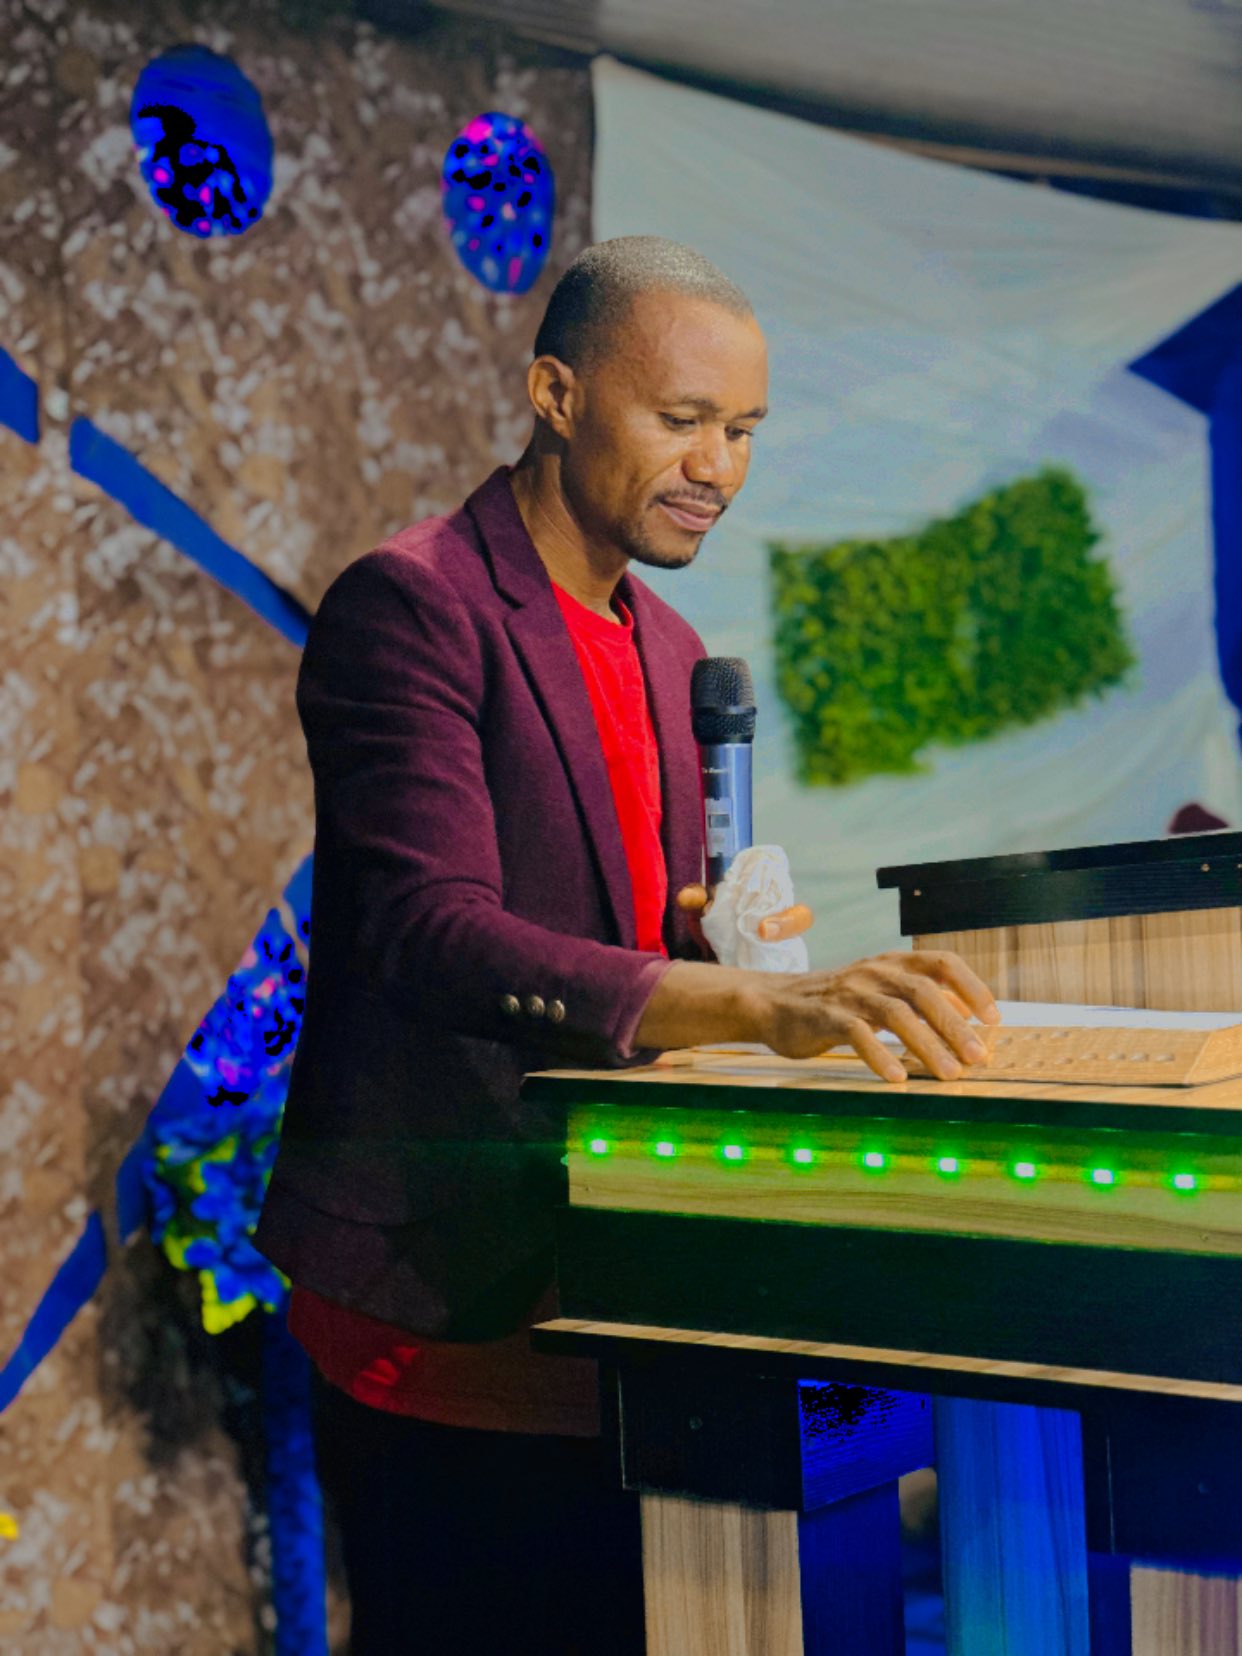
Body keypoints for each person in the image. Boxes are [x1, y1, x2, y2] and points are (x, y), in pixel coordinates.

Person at [253, 235, 999, 1654]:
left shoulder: (671, 647)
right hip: (448, 1299)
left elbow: (630, 934)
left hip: (623, 1294)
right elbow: (428, 929)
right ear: (556, 393)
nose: (717, 466)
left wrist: (726, 949)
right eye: (681, 419)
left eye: (743, 430)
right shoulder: (413, 605)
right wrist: (756, 1007)